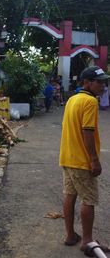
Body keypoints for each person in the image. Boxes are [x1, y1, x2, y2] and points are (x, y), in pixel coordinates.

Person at [60, 66, 110, 253]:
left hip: (67, 157)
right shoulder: (90, 102)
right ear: (87, 83)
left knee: (70, 195)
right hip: (81, 161)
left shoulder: (72, 99)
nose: (103, 86)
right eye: (99, 82)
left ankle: (70, 235)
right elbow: (87, 131)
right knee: (89, 200)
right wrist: (94, 160)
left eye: (104, 82)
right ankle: (87, 241)